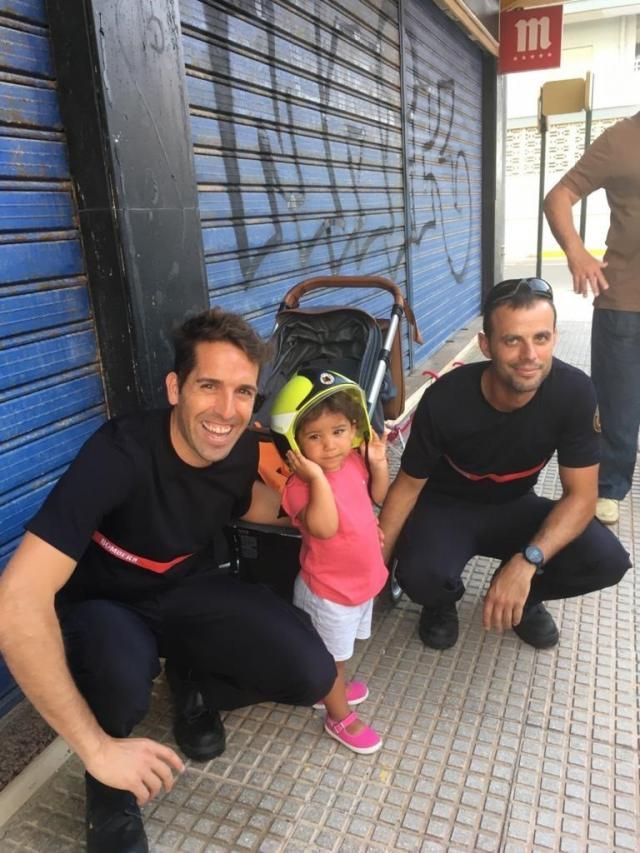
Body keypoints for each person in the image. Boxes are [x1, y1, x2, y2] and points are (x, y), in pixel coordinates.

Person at [0, 309, 336, 853]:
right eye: (210, 386)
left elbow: (266, 508)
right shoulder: (119, 452)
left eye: (244, 392)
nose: (227, 411)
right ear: (176, 387)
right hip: (107, 601)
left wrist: (330, 490)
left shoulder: (242, 448)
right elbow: (17, 600)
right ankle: (107, 792)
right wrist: (96, 750)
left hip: (186, 589)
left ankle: (192, 683)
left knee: (310, 672)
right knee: (120, 681)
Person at [378, 278, 630, 652]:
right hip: (448, 506)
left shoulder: (574, 392)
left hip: (515, 505)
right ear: (486, 345)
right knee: (419, 574)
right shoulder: (446, 398)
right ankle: (440, 602)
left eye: (541, 338)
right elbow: (406, 488)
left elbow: (581, 496)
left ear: (555, 339)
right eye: (512, 340)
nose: (530, 354)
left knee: (607, 559)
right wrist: (371, 570)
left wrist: (527, 563)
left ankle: (522, 598)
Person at [270, 369, 389, 754]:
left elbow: (378, 495)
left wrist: (379, 461)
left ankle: (330, 687)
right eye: (314, 437)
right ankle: (338, 714)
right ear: (294, 444)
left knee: (342, 652)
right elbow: (323, 527)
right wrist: (318, 479)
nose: (331, 446)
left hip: (361, 584)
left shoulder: (354, 462)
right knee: (331, 660)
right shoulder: (299, 485)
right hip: (329, 593)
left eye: (339, 431)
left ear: (354, 428)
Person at [544, 111, 640, 525]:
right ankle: (610, 486)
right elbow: (559, 196)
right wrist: (575, 251)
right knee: (618, 403)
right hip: (624, 297)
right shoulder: (620, 140)